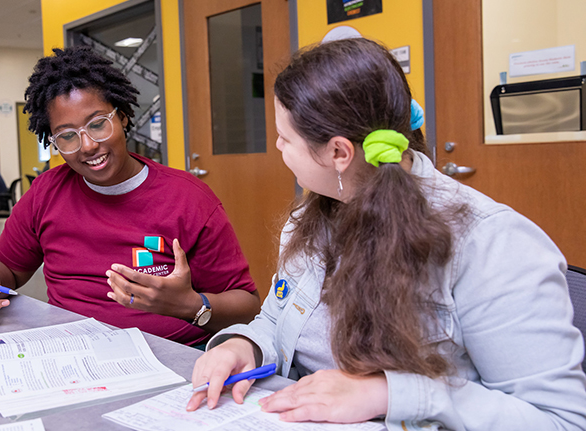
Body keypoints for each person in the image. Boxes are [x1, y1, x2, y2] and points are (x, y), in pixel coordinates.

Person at [187, 38, 586, 430]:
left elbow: (557, 420)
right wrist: (244, 345)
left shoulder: (492, 243)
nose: (277, 146)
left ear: (339, 153)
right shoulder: (311, 216)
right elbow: (276, 318)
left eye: (285, 138)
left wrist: (387, 394)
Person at [0, 46, 260, 346]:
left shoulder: (188, 198)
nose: (87, 145)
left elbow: (247, 306)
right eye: (67, 136)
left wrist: (190, 305)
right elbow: (5, 265)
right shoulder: (46, 193)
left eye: (98, 124)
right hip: (74, 354)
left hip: (172, 356)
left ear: (123, 116)